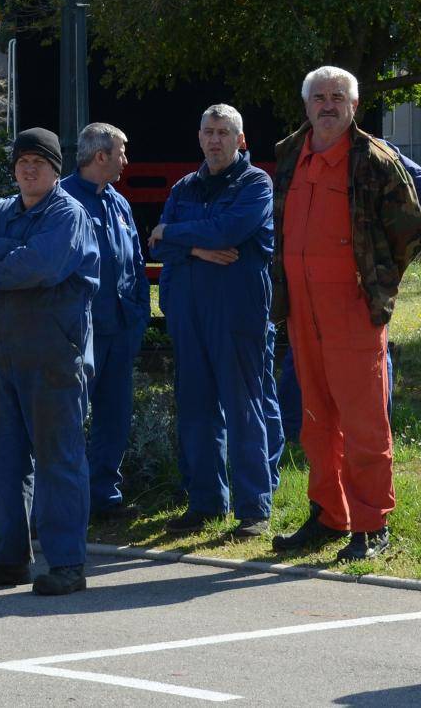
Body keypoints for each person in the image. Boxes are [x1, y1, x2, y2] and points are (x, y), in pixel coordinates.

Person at [269, 67, 421, 561]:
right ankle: (330, 516)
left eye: (338, 96)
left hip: (354, 311)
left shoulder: (375, 159)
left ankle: (371, 523)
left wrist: (376, 281)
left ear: (354, 105)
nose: (328, 105)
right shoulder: (290, 153)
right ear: (307, 104)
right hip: (303, 313)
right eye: (319, 97)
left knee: (364, 425)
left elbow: (410, 229)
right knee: (316, 421)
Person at [0, 128, 100, 595]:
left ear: (57, 169)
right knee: (1, 456)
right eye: (22, 162)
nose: (29, 168)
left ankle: (67, 563)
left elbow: (41, 266)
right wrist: (4, 253)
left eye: (39, 161)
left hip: (54, 352)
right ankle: (8, 557)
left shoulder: (68, 213)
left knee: (59, 457)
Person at [150, 104, 281, 537]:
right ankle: (205, 504)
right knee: (195, 410)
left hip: (237, 312)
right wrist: (193, 247)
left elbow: (229, 230)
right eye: (208, 131)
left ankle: (253, 510)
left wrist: (175, 236)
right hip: (189, 314)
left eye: (224, 132)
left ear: (240, 140)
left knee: (245, 410)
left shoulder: (256, 183)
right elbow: (156, 244)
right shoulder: (185, 187)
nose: (214, 140)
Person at [276, 137, 421, 443]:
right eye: (320, 98)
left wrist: (380, 247)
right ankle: (297, 429)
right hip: (311, 282)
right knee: (304, 354)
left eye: (338, 97)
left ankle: (372, 429)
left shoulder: (374, 150)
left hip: (363, 280)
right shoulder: (301, 152)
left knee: (373, 351)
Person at [59, 123, 150, 520]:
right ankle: (65, 500)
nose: (126, 160)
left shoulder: (118, 202)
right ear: (101, 157)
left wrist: (140, 318)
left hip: (120, 330)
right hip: (79, 335)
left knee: (114, 417)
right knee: (69, 418)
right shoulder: (60, 200)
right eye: (122, 152)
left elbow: (135, 264)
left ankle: (104, 498)